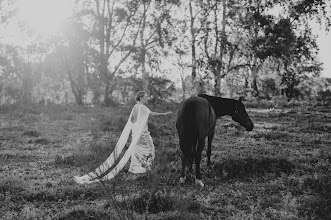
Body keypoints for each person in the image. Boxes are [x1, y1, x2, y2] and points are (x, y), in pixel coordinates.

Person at [74, 91, 172, 184]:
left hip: (135, 132)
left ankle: (135, 169)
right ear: (141, 97)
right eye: (146, 96)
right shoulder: (142, 107)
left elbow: (133, 120)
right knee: (151, 148)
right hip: (143, 133)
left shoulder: (135, 107)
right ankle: (145, 168)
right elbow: (151, 114)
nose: (147, 98)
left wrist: (138, 126)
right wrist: (165, 114)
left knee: (137, 150)